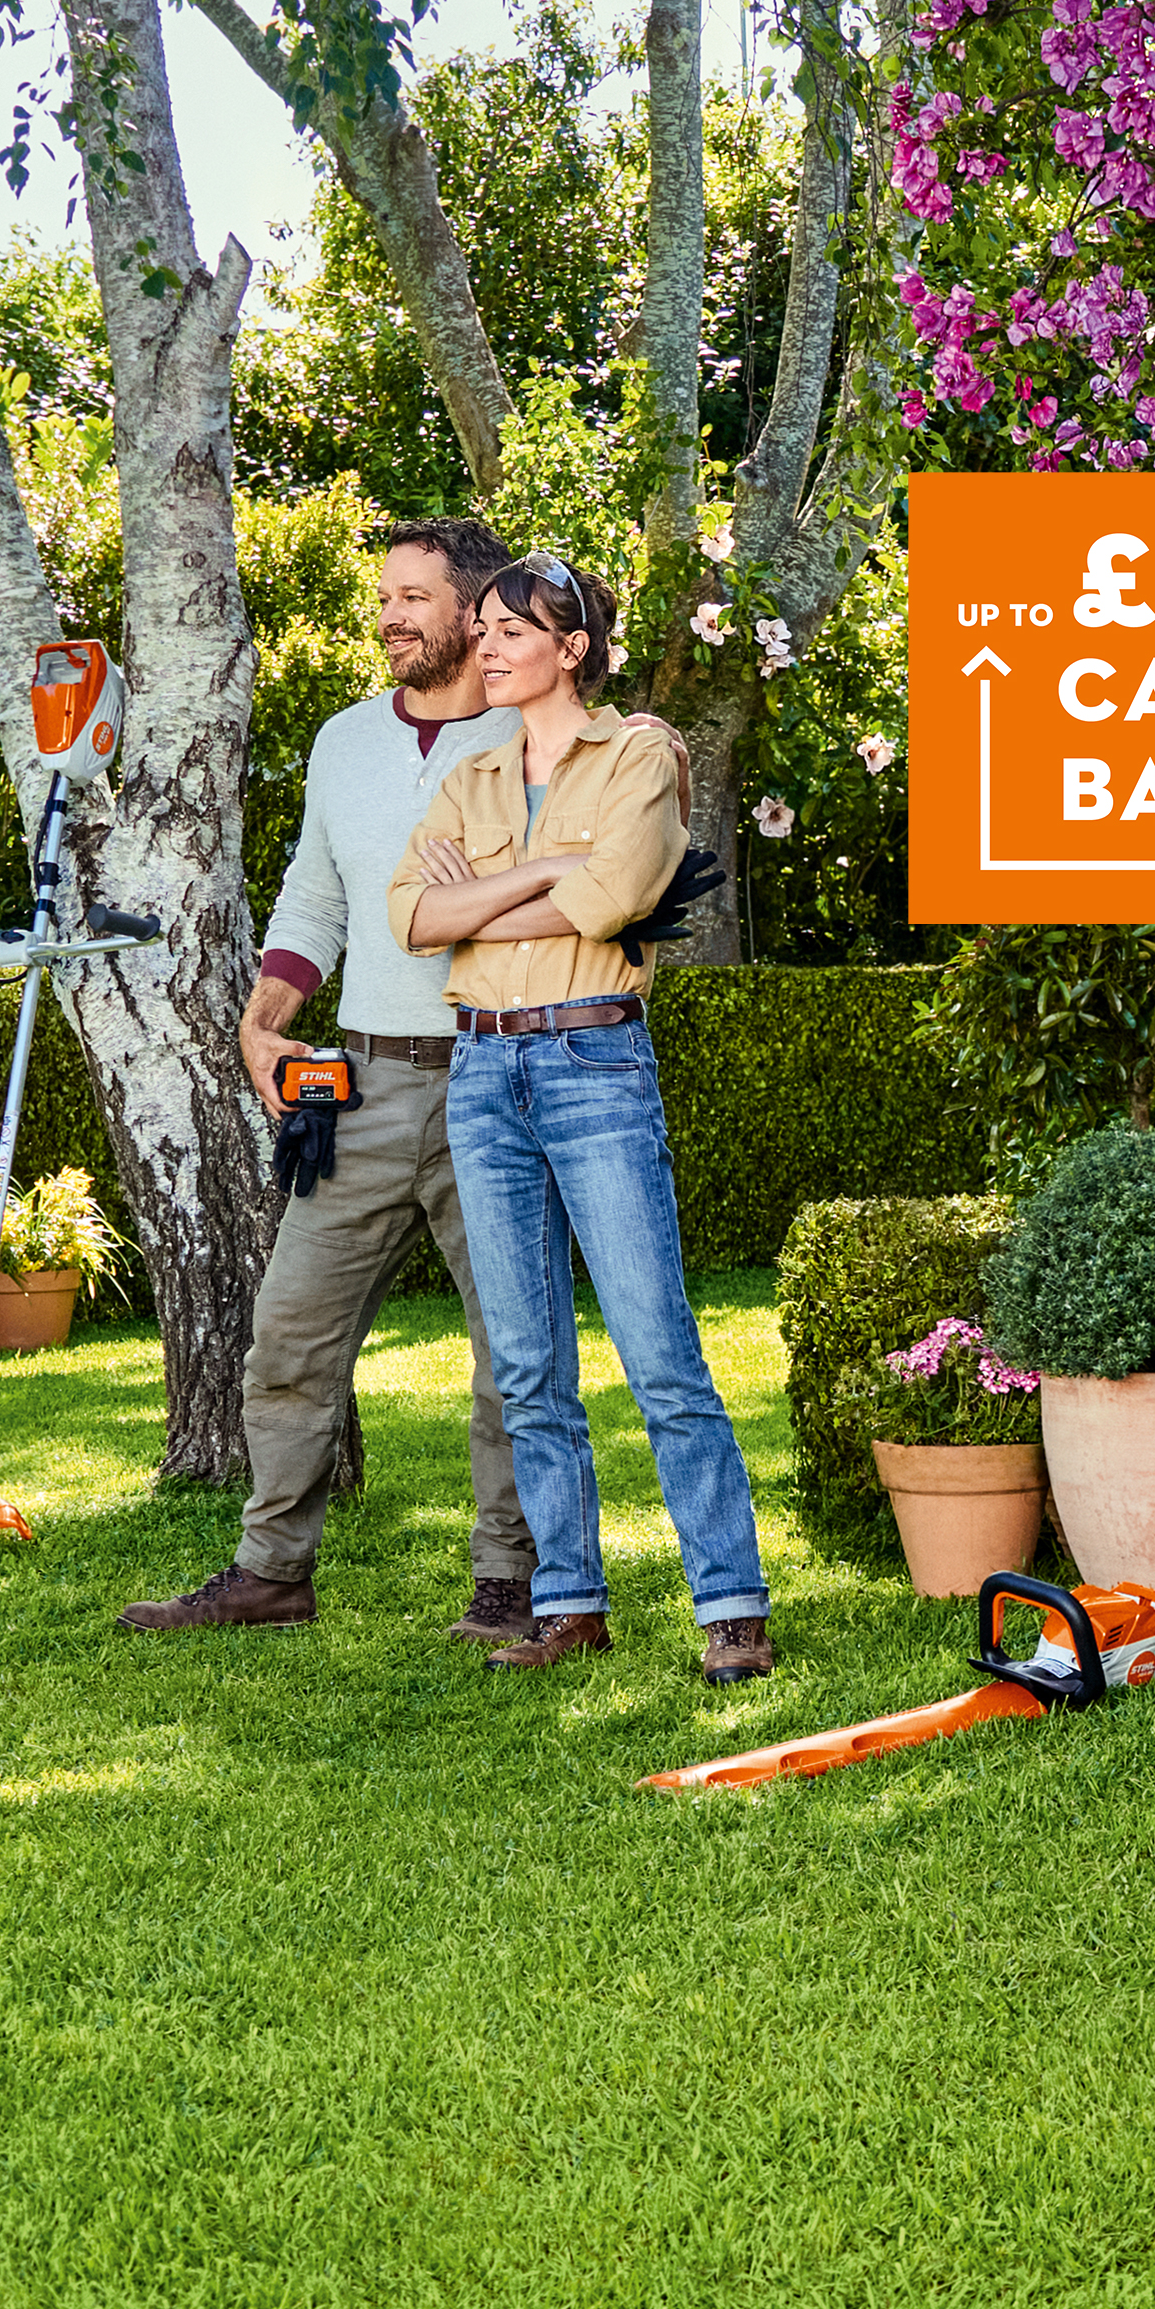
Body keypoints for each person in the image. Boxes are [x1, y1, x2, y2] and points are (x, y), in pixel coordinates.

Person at [119, 520, 539, 1640]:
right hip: (360, 1081)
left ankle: (507, 1581)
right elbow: (315, 895)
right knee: (288, 1337)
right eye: (386, 594)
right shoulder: (346, 739)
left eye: (416, 594)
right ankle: (270, 1573)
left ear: (474, 606)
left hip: (496, 1078)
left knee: (511, 1350)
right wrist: (264, 1022)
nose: (393, 614)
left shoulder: (533, 736)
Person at [385, 554, 776, 1685]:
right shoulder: (469, 774)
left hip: (590, 1058)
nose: (488, 645)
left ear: (570, 649)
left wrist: (490, 897)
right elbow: (414, 917)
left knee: (658, 1350)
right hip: (480, 1075)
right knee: (524, 1363)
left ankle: (730, 1605)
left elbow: (611, 903)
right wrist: (545, 869)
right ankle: (567, 1601)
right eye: (483, 628)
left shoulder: (639, 751)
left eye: (514, 630)